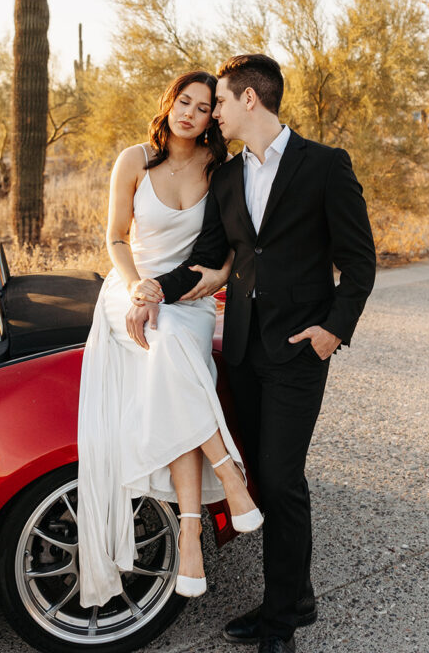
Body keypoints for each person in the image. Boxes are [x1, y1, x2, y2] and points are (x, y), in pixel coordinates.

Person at [131, 54, 376, 653]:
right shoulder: (228, 177)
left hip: (298, 350)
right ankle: (297, 596)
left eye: (217, 101)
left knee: (282, 479)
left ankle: (280, 623)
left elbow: (360, 260)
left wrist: (332, 330)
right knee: (262, 478)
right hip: (240, 348)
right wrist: (151, 288)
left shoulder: (325, 166)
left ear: (249, 100)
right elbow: (210, 256)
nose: (211, 112)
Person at [77, 70, 263, 610]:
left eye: (203, 108)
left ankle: (188, 536)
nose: (190, 114)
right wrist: (138, 286)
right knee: (167, 339)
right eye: (184, 102)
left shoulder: (219, 170)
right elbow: (114, 236)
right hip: (132, 287)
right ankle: (227, 475)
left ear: (213, 119)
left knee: (174, 342)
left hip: (189, 296)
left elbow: (231, 244)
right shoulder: (134, 159)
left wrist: (221, 276)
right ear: (170, 104)